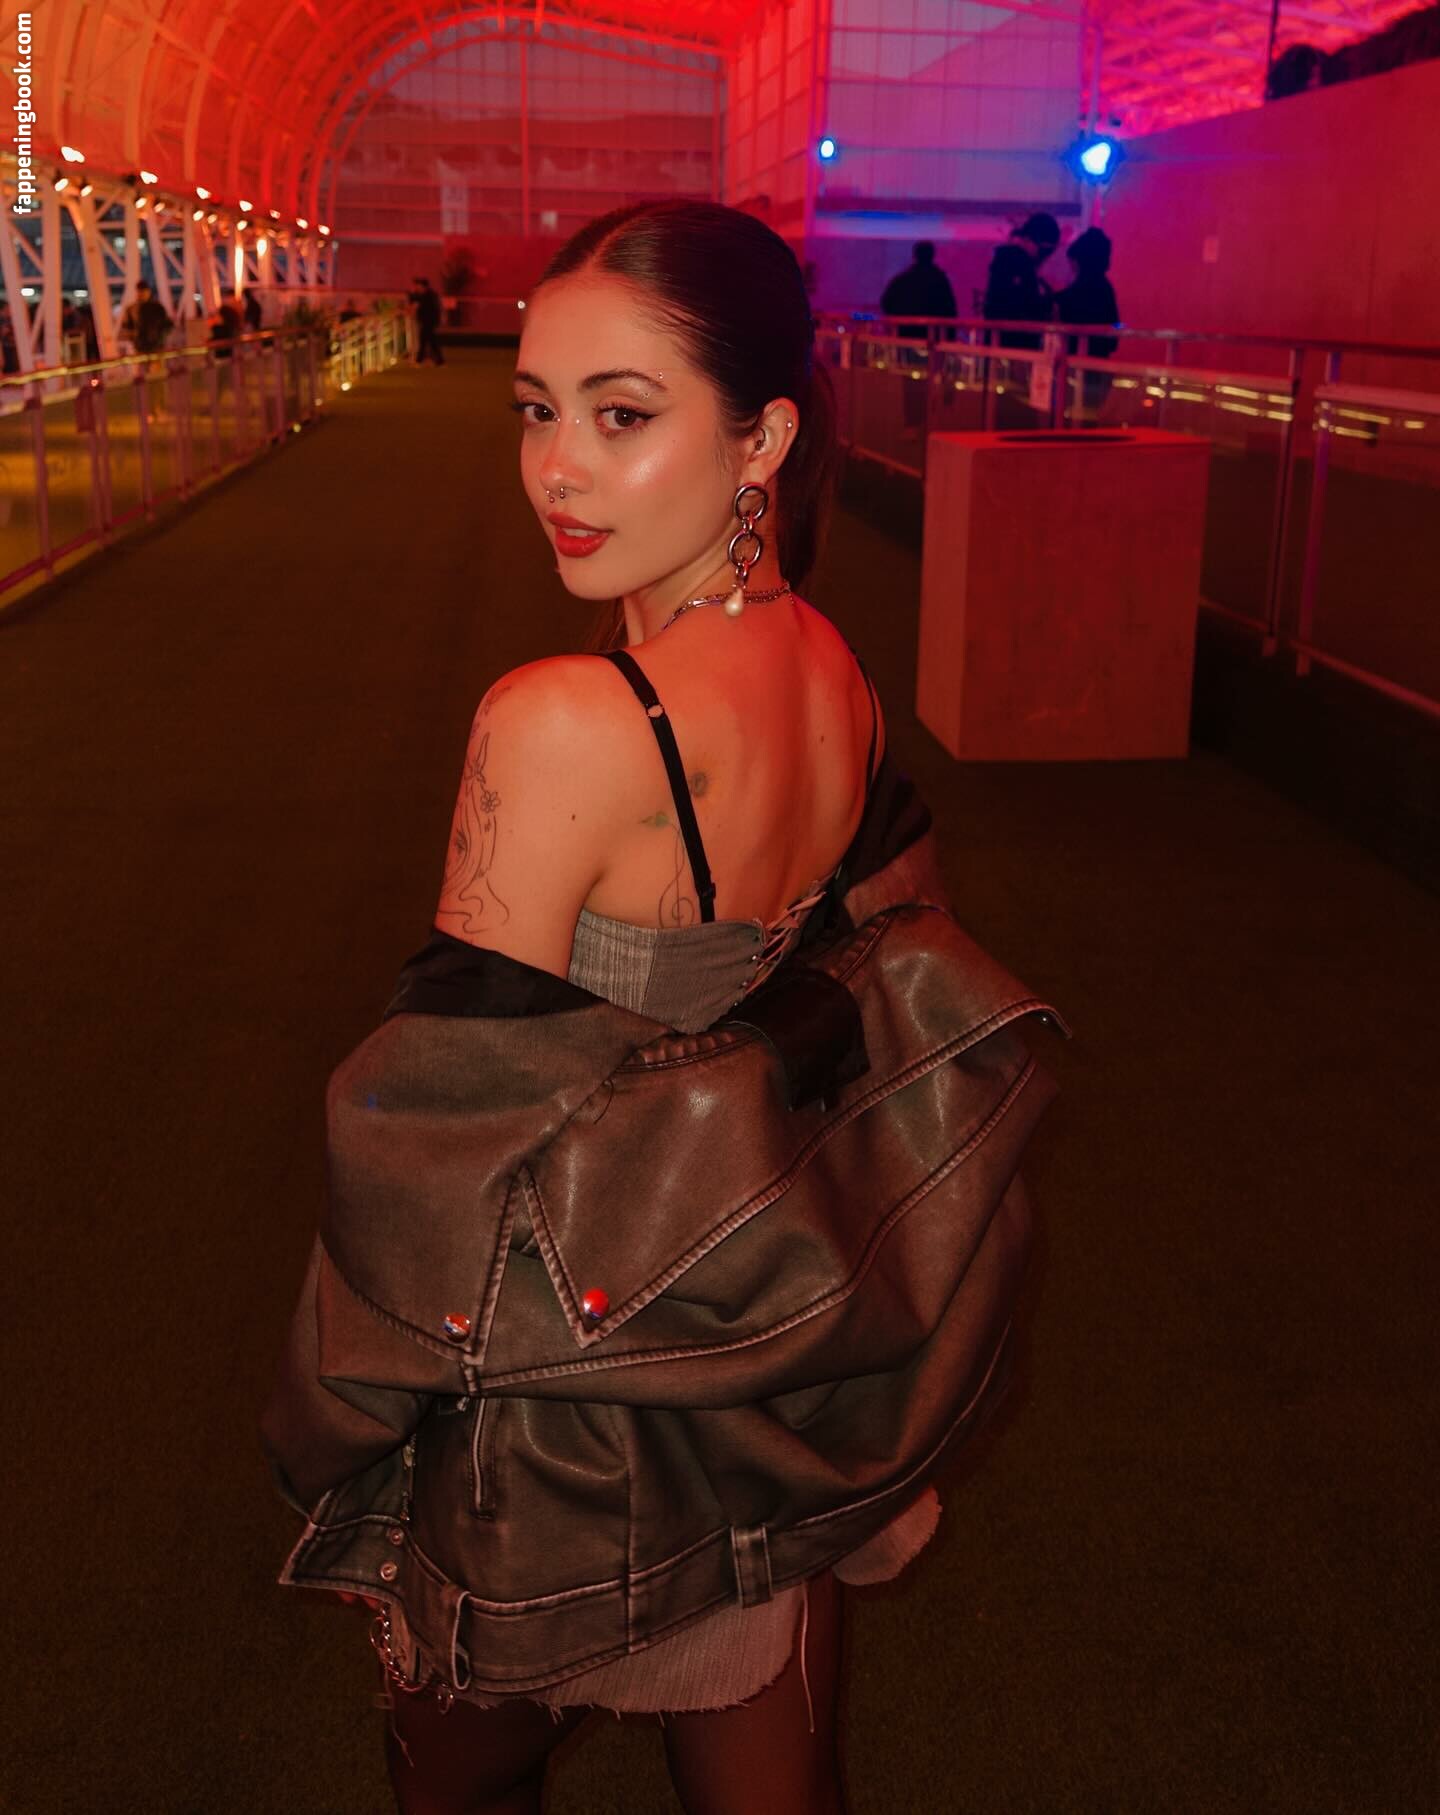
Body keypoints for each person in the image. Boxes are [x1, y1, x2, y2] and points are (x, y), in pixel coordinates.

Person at [263, 200, 1063, 1815]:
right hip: (757, 1352)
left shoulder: (564, 720)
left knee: (457, 1770)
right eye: (536, 410)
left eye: (622, 416)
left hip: (567, 1400)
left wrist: (330, 1409)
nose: (558, 471)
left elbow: (439, 1150)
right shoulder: (828, 664)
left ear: (761, 437)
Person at [880, 241, 957, 436]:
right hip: (935, 342)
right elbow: (951, 312)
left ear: (914, 255)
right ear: (933, 255)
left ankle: (913, 423)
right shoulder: (940, 280)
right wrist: (950, 340)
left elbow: (886, 303)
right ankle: (931, 423)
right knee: (932, 381)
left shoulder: (903, 279)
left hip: (908, 340)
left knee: (911, 382)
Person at [1056, 226, 1121, 415]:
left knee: (1072, 415)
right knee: (1089, 415)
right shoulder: (1105, 288)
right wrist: (1118, 329)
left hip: (1078, 366)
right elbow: (1117, 322)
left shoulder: (1074, 293)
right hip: (1099, 364)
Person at [982, 211, 1060, 349]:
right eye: (1044, 251)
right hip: (1012, 344)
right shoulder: (1014, 262)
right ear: (1029, 240)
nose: (1045, 257)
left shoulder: (1012, 261)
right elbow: (1018, 306)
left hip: (1010, 344)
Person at [120, 279, 172, 356]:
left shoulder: (157, 308)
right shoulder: (157, 307)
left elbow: (168, 325)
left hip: (153, 348)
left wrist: (160, 339)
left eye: (143, 291)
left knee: (148, 362)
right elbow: (126, 327)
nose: (141, 294)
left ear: (149, 292)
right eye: (140, 291)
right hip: (144, 347)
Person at [409, 274, 445, 365]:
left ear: (423, 286)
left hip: (429, 321)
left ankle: (420, 360)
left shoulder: (428, 295)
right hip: (428, 321)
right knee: (430, 341)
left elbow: (420, 307)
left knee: (425, 340)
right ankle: (438, 360)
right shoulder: (426, 295)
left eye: (418, 286)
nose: (417, 288)